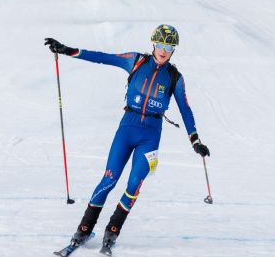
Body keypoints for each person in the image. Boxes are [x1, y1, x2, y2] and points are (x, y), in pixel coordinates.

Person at [44, 24, 210, 253]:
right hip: (127, 129)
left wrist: (195, 140)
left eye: (169, 47)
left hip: (150, 137)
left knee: (134, 185)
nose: (163, 51)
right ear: (153, 44)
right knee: (108, 180)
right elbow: (103, 57)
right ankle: (83, 229)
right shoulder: (135, 61)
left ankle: (112, 230)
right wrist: (68, 50)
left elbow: (186, 110)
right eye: (160, 45)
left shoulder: (175, 78)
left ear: (174, 50)